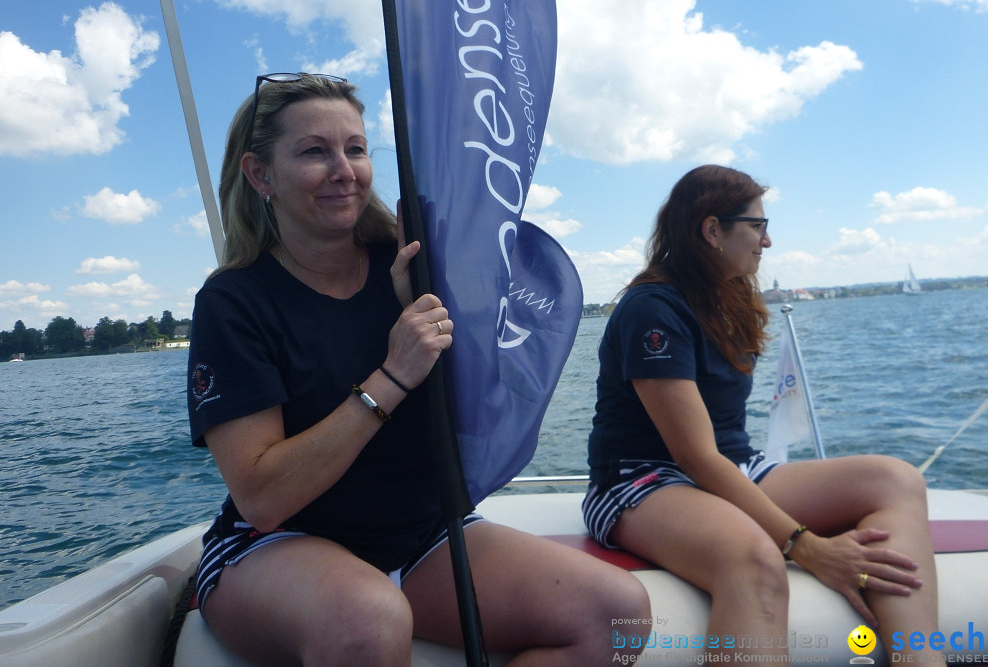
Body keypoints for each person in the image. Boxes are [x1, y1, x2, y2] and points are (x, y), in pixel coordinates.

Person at [186, 72, 650, 667]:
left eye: (355, 148)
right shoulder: (234, 302)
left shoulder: (413, 265)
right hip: (275, 545)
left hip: (420, 534)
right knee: (367, 620)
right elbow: (262, 497)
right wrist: (393, 375)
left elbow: (483, 415)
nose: (344, 169)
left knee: (617, 614)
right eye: (313, 151)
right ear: (260, 174)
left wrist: (445, 300)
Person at [583, 164, 938, 659]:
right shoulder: (653, 309)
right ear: (711, 229)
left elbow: (721, 457)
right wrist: (808, 547)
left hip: (734, 467)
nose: (766, 242)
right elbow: (696, 457)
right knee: (753, 560)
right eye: (757, 226)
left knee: (896, 479)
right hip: (641, 480)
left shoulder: (727, 298)